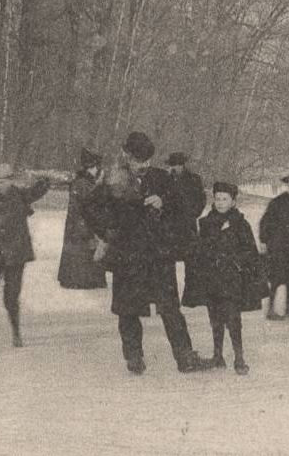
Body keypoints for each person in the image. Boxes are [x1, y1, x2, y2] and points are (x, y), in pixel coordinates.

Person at [86, 132, 208, 374]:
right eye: (139, 161)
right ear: (127, 157)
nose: (144, 166)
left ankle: (185, 357)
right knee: (127, 309)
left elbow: (186, 209)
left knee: (170, 308)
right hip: (128, 256)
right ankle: (134, 357)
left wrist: (164, 203)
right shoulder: (113, 181)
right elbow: (89, 208)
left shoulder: (162, 178)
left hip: (158, 255)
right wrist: (109, 232)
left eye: (147, 161)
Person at [182, 182, 265, 374]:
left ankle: (239, 357)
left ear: (233, 202)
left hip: (232, 279)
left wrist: (234, 259)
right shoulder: (205, 222)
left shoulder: (240, 224)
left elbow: (249, 251)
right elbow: (201, 249)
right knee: (215, 317)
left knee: (233, 318)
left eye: (224, 199)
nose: (220, 203)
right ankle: (217, 355)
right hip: (212, 278)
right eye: (217, 198)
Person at [0, 163, 51, 349]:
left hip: (14, 253)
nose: (5, 185)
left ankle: (15, 333)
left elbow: (35, 192)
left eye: (7, 181)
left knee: (11, 296)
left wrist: (44, 182)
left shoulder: (18, 195)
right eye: (2, 181)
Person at [58, 148, 107, 290]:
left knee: (79, 250)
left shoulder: (80, 182)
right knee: (83, 250)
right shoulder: (85, 183)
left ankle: (75, 278)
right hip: (83, 223)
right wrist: (99, 186)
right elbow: (91, 202)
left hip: (78, 223)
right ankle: (82, 280)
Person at [260, 174, 289, 319]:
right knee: (276, 278)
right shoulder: (277, 202)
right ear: (287, 187)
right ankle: (271, 309)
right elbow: (265, 222)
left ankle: (287, 308)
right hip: (277, 245)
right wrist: (263, 240)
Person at [163, 151, 207, 266]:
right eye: (171, 165)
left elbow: (201, 200)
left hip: (188, 227)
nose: (174, 168)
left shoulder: (194, 179)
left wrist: (192, 213)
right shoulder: (165, 180)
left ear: (182, 165)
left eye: (177, 165)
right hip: (169, 227)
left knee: (191, 261)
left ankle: (191, 284)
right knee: (168, 264)